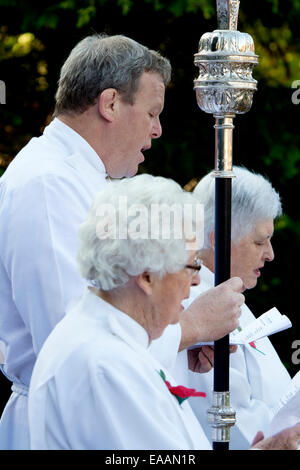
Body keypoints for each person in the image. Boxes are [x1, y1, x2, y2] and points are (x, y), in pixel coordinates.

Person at [0, 33, 243, 449]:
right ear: (110, 104)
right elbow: (73, 338)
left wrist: (178, 338)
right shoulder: (46, 184)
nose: (158, 130)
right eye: (152, 113)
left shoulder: (75, 176)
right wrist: (190, 326)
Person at [28, 174, 300, 450]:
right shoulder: (106, 367)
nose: (196, 281)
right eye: (190, 266)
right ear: (147, 277)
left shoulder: (113, 340)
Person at [171, 166, 292, 450]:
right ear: (218, 239)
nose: (270, 254)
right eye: (259, 241)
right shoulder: (198, 304)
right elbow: (230, 424)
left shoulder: (227, 291)